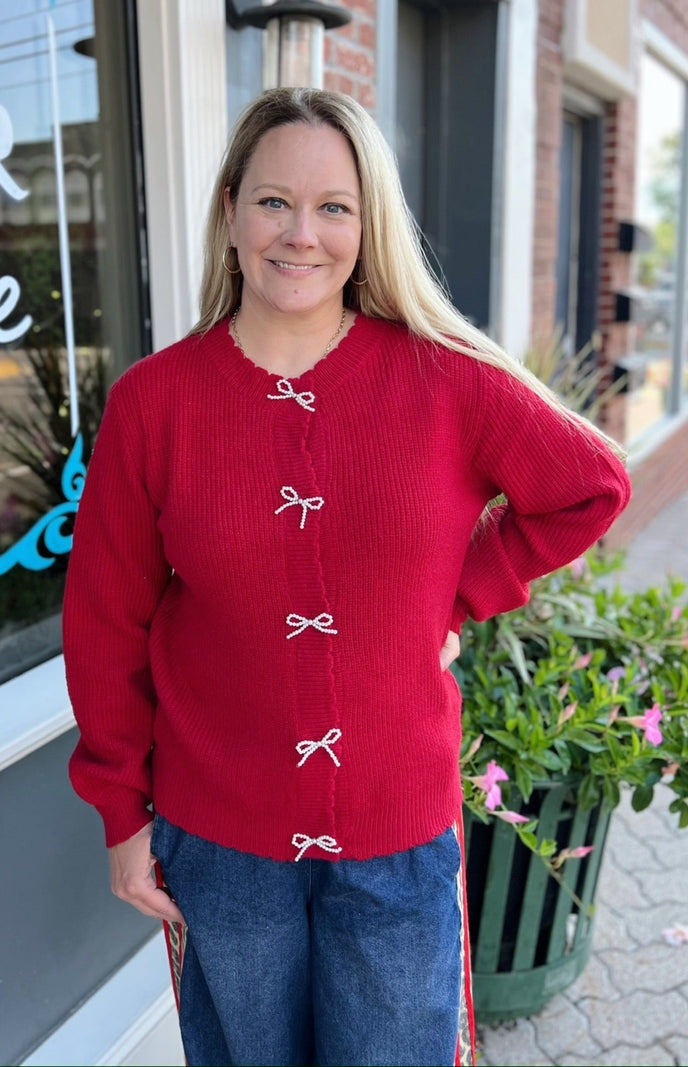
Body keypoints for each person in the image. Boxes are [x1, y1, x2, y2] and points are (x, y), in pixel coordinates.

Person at [63, 87, 631, 1067]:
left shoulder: (444, 381)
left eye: (334, 206)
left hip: (395, 840)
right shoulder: (153, 404)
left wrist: (459, 589)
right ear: (231, 210)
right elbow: (105, 621)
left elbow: (588, 486)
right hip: (217, 837)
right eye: (274, 201)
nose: (301, 233)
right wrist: (122, 811)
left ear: (368, 228)